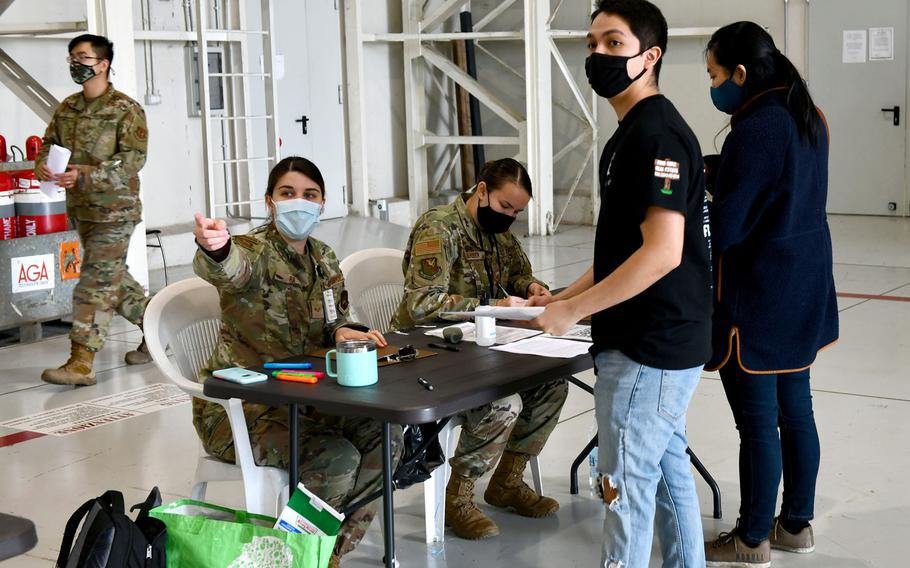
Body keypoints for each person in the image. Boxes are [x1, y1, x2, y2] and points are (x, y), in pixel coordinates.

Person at [531, 1, 713, 566]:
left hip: (648, 348)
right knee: (664, 473)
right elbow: (625, 250)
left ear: (649, 56)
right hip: (656, 341)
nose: (597, 55)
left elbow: (661, 254)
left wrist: (574, 312)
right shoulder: (628, 134)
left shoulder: (655, 135)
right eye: (591, 44)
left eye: (614, 43)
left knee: (620, 489)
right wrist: (564, 298)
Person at [193, 156, 402, 567]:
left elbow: (335, 318)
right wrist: (215, 248)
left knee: (388, 436)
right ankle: (295, 557)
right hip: (247, 409)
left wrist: (344, 330)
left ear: (323, 204)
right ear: (269, 201)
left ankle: (327, 553)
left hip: (310, 400)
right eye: (287, 194)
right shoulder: (255, 251)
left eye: (310, 195)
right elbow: (229, 268)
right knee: (337, 457)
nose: (299, 204)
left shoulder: (323, 258)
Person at [703, 22, 838, 566]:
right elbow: (779, 187)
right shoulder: (808, 115)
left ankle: (751, 537)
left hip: (758, 301)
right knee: (796, 413)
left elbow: (731, 226)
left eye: (714, 75)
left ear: (740, 73)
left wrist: (699, 202)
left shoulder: (758, 128)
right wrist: (723, 171)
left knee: (757, 424)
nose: (712, 86)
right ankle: (795, 525)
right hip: (802, 289)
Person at [390, 158, 568, 540]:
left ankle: (506, 481)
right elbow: (423, 304)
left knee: (553, 386)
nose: (510, 217)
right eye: (506, 207)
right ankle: (458, 498)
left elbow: (516, 273)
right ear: (482, 191)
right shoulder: (439, 228)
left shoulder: (499, 234)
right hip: (428, 351)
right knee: (503, 403)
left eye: (518, 212)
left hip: (478, 348)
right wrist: (490, 308)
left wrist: (532, 288)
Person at [37, 33, 151, 386]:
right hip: (82, 210)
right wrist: (42, 163)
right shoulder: (67, 108)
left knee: (94, 282)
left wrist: (84, 174)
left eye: (83, 57)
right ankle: (162, 326)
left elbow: (133, 160)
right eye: (73, 57)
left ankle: (81, 362)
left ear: (103, 65)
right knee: (112, 281)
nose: (76, 63)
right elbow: (49, 144)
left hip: (115, 211)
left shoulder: (126, 110)